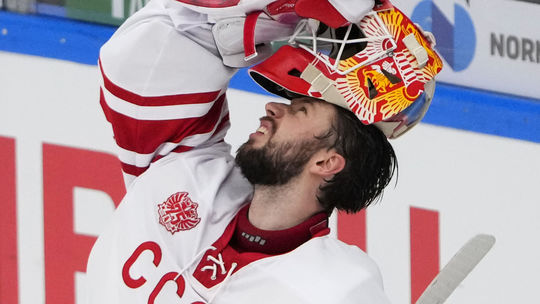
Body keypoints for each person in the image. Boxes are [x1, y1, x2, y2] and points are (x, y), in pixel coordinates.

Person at [86, 0, 442, 303]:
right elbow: (143, 57)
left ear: (327, 162)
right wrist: (277, 8)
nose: (274, 108)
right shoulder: (183, 167)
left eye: (301, 109)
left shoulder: (334, 287)